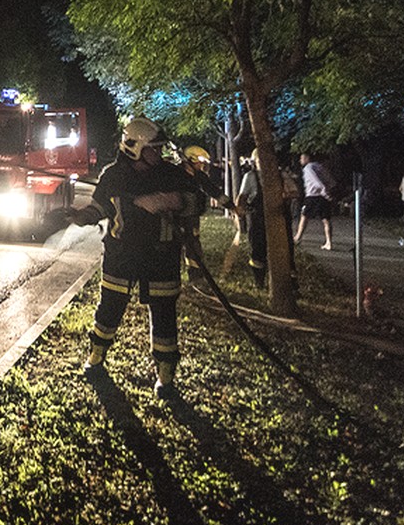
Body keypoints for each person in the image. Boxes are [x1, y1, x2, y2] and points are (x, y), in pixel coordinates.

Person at [67, 117, 200, 398]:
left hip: (161, 257)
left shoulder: (171, 175)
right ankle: (96, 358)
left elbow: (198, 203)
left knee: (164, 315)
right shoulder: (113, 176)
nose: (159, 154)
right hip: (121, 255)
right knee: (109, 308)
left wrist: (172, 201)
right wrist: (80, 217)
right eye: (154, 148)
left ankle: (166, 377)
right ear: (134, 147)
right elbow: (99, 208)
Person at [180, 145, 236, 282]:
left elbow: (214, 191)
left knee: (193, 245)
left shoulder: (199, 176)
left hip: (192, 217)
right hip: (175, 216)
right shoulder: (176, 174)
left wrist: (231, 206)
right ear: (191, 161)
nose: (202, 166)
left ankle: (195, 275)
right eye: (200, 163)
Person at [236, 151, 268, 288]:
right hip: (257, 219)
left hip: (276, 220)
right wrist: (240, 214)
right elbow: (241, 198)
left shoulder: (277, 175)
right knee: (258, 250)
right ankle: (259, 281)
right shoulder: (251, 177)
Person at [293, 152, 336, 251]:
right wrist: (328, 192)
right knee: (326, 220)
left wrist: (323, 190)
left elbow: (315, 181)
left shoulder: (308, 168)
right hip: (323, 197)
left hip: (312, 196)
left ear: (307, 158)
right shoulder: (320, 167)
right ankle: (329, 242)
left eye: (302, 158)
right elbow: (330, 180)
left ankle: (298, 237)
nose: (300, 161)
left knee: (304, 216)